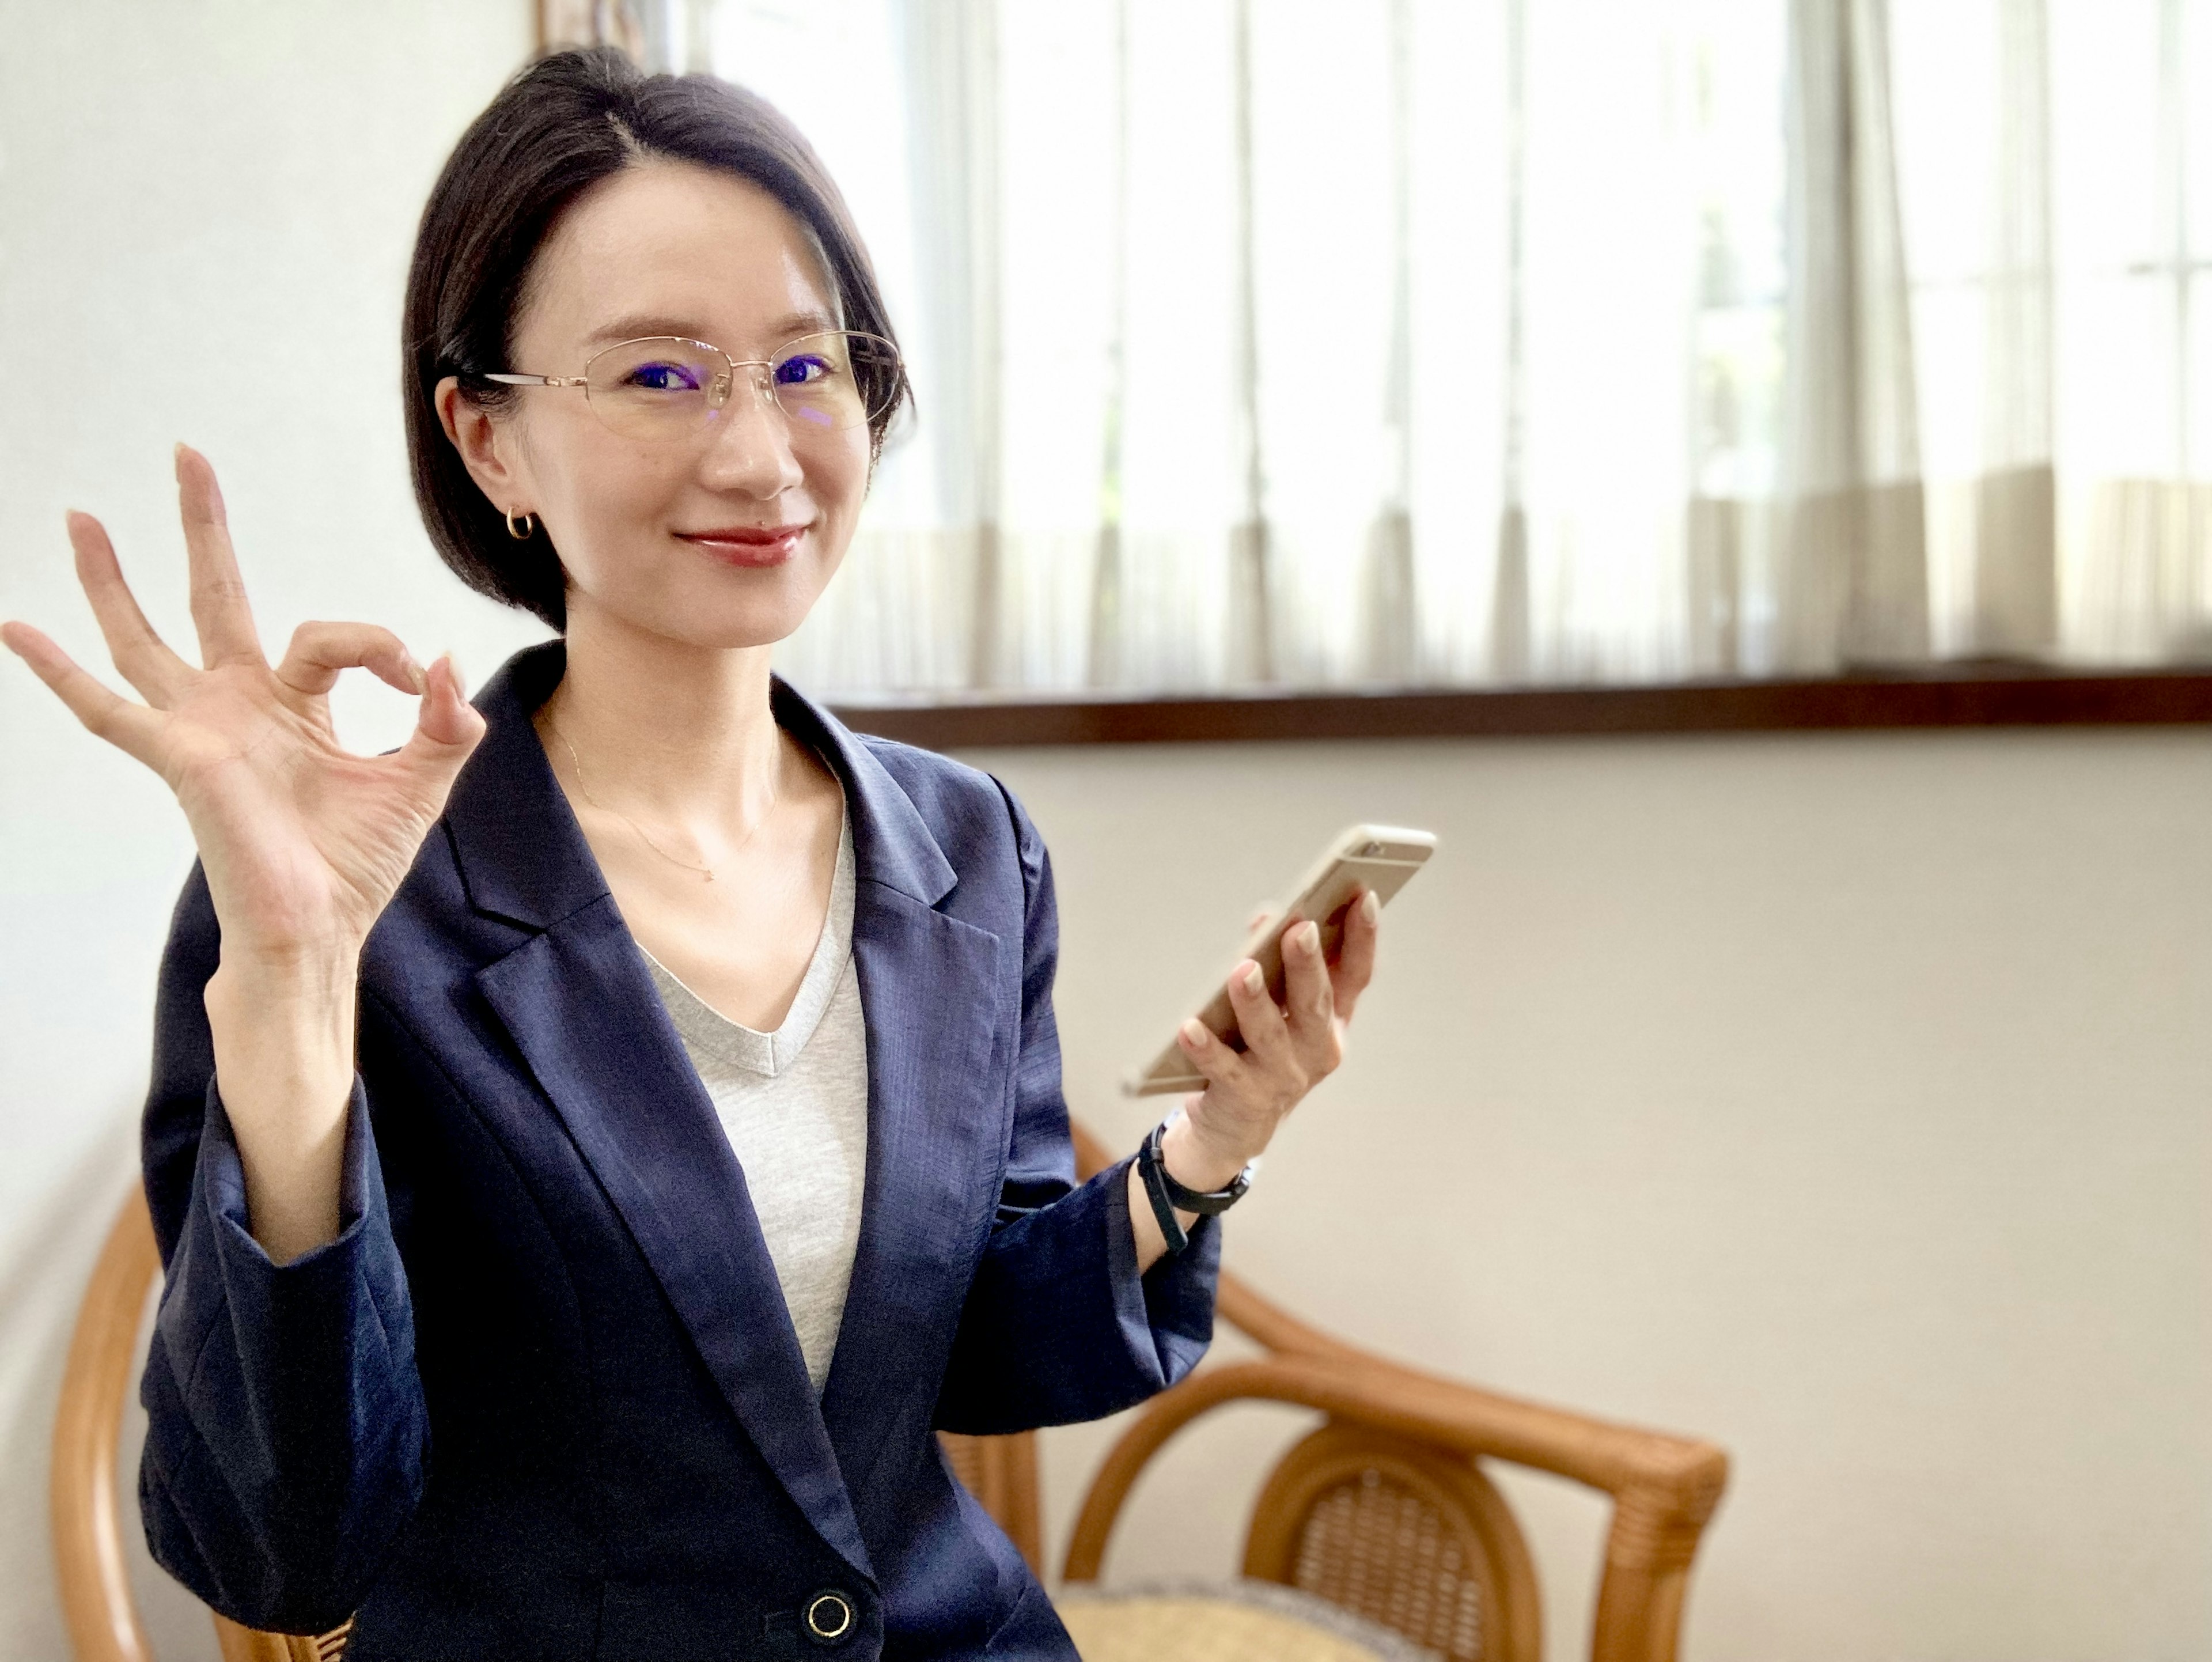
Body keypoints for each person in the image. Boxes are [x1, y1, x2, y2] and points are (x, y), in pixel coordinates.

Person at [1, 48, 1382, 1662]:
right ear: (489, 440)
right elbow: (282, 1548)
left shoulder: (966, 848)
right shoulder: (337, 901)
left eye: (807, 369)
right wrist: (299, 999)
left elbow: (979, 1351)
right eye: (660, 377)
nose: (759, 454)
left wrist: (1213, 1139)